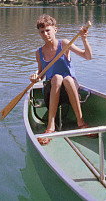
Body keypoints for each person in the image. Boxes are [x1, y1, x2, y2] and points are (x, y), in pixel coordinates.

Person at [31, 14, 93, 145]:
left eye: (48, 30)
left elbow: (87, 56)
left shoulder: (64, 44)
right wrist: (36, 76)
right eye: (42, 32)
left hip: (70, 91)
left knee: (67, 79)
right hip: (51, 92)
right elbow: (41, 73)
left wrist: (84, 39)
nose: (45, 34)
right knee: (57, 78)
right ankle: (50, 127)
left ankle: (81, 122)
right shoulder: (39, 52)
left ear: (55, 30)